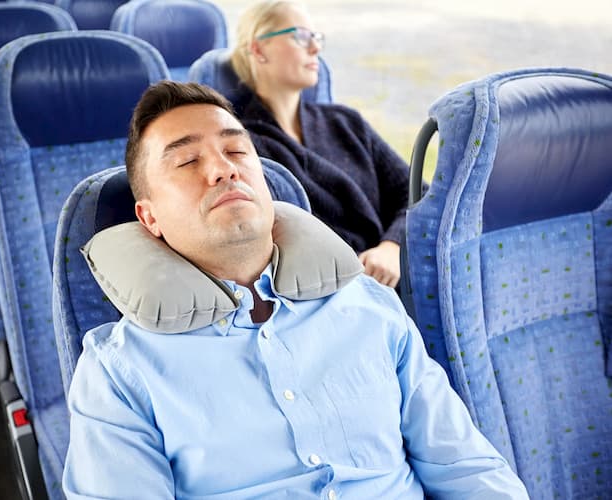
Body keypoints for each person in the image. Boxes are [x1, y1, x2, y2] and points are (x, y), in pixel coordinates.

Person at [62, 81, 529, 499]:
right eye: (187, 160)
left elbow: (465, 467)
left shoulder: (371, 310)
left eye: (237, 152)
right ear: (150, 219)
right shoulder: (118, 373)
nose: (224, 170)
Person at [230, 0, 411, 288]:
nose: (315, 48)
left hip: (397, 275)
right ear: (258, 49)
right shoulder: (242, 147)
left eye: (316, 38)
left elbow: (417, 193)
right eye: (301, 36)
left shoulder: (346, 122)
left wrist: (393, 246)